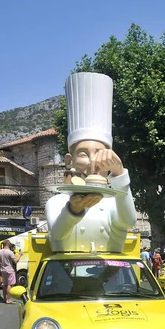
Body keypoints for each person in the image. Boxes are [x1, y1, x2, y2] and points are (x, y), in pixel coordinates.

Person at [45, 72, 136, 255]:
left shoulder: (114, 202)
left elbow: (128, 221)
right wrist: (73, 209)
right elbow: (58, 233)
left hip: (111, 279)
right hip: (66, 279)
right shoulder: (57, 201)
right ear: (69, 161)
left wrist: (119, 173)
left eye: (101, 154)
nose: (93, 162)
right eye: (84, 154)